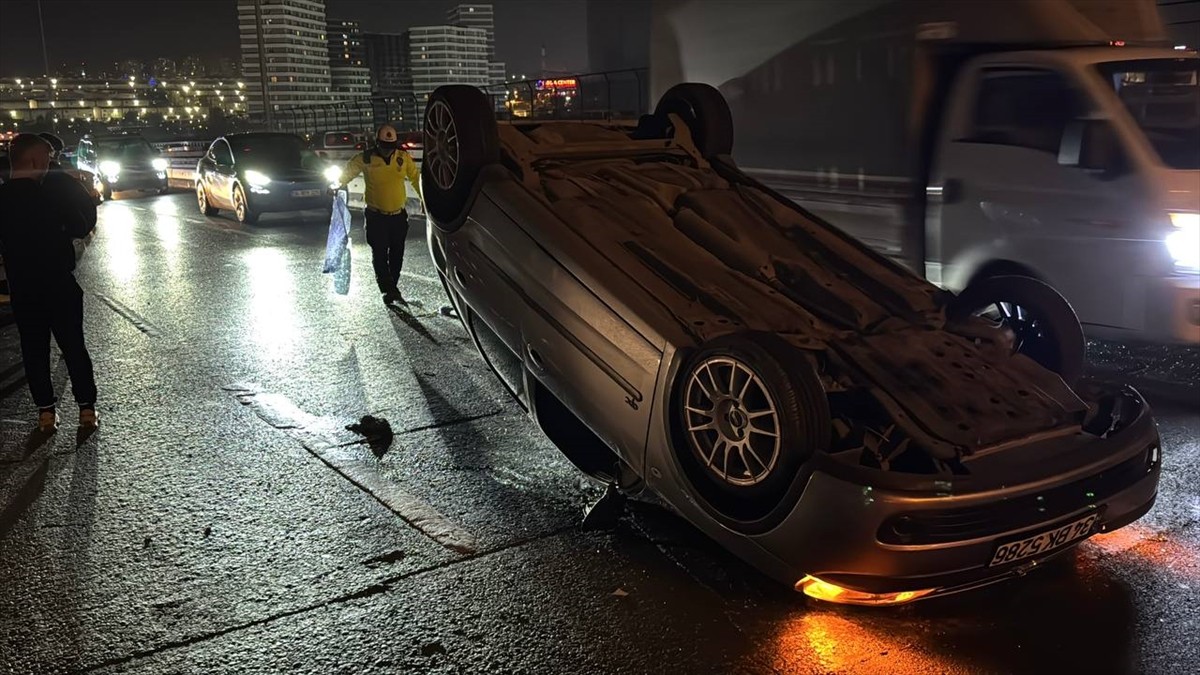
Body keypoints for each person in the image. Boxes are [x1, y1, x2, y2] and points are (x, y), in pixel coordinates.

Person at [0, 134, 98, 432]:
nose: (47, 165)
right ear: (32, 160)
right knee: (73, 346)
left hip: (23, 286)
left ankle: (45, 412)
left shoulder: (2, 200)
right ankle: (86, 409)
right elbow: (82, 224)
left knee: (34, 348)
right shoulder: (51, 194)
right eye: (44, 159)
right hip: (58, 282)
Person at [338, 125, 422, 305]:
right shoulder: (365, 158)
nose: (387, 151)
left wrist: (424, 198)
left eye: (390, 147)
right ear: (377, 144)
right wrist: (336, 184)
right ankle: (388, 289)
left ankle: (392, 287)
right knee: (380, 252)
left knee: (397, 253)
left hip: (398, 215)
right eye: (384, 146)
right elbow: (348, 172)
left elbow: (415, 178)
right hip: (376, 216)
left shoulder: (402, 157)